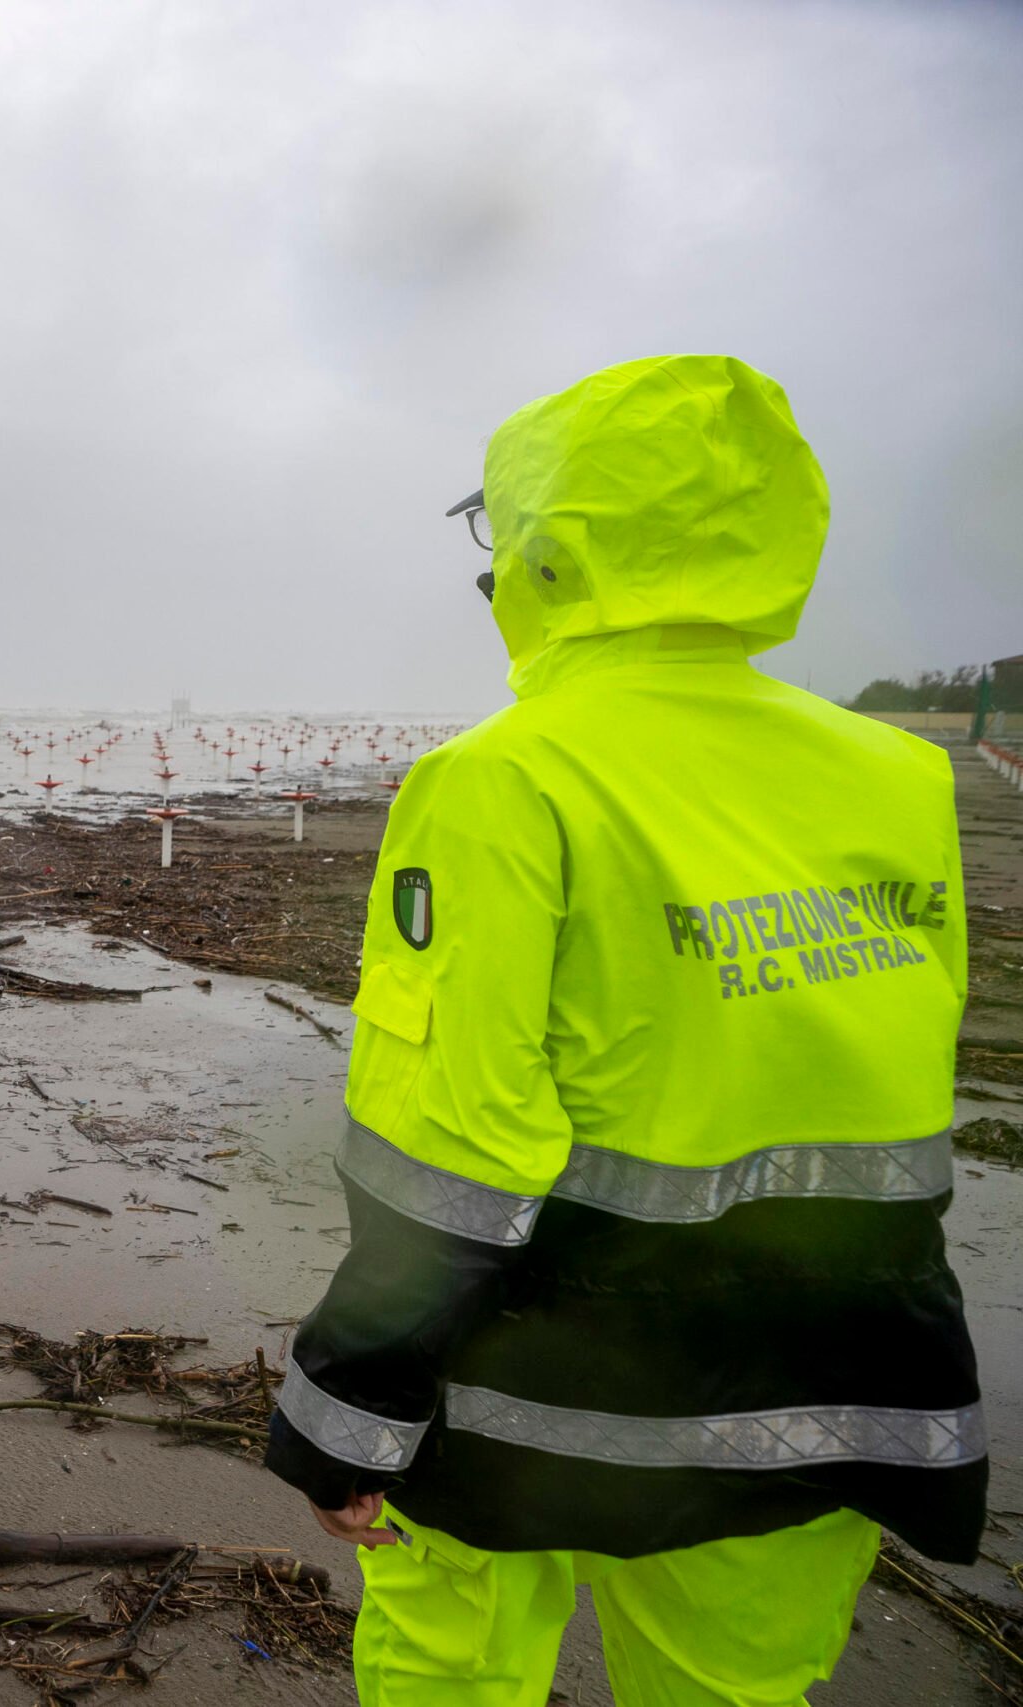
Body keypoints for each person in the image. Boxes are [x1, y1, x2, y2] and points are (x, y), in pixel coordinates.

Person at [265, 354, 984, 1705]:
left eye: (497, 527)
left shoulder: (504, 778)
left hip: (530, 1383)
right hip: (833, 1380)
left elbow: (455, 1139)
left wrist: (345, 1413)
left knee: (450, 1670)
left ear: (553, 547)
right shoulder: (902, 773)